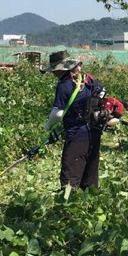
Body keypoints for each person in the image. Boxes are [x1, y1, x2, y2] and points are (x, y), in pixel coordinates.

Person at [43, 52, 106, 190]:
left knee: (70, 179)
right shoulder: (88, 80)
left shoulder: (64, 84)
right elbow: (102, 94)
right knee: (89, 176)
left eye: (54, 70)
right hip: (94, 134)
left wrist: (47, 126)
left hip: (77, 136)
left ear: (60, 68)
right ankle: (89, 205)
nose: (53, 73)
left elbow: (58, 113)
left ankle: (67, 207)